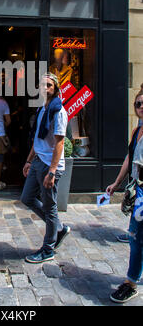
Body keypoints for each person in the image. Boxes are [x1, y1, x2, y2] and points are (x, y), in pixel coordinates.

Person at [20, 72, 70, 263]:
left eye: (48, 85)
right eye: (42, 85)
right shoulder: (42, 109)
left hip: (50, 165)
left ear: (55, 88)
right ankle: (59, 227)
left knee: (50, 208)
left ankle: (48, 249)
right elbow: (38, 139)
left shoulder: (59, 111)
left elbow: (59, 143)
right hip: (38, 161)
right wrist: (28, 160)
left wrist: (52, 171)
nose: (45, 88)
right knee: (27, 198)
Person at [107, 84, 143, 303]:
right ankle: (131, 280)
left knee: (136, 236)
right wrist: (116, 182)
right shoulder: (136, 131)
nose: (140, 107)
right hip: (139, 189)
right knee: (136, 236)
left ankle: (130, 283)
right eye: (138, 104)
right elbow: (129, 159)